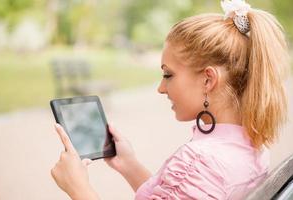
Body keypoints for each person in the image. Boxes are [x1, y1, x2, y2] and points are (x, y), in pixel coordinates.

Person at [51, 0, 290, 199]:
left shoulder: (200, 163)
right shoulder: (251, 145)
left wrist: (78, 187)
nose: (161, 88)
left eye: (168, 74)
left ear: (208, 80)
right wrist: (129, 164)